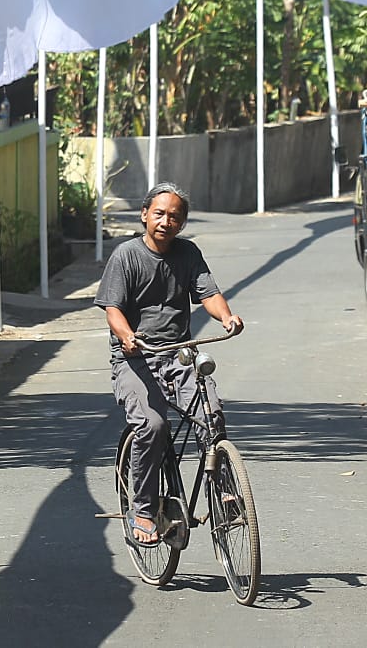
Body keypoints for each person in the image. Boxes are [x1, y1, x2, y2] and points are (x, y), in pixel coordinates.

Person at [95, 182, 243, 546]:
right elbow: (113, 309)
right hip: (135, 358)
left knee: (211, 413)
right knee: (153, 425)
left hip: (179, 354)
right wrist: (127, 335)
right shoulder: (126, 256)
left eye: (174, 216)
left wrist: (227, 317)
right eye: (159, 213)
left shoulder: (188, 253)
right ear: (145, 214)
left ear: (182, 222)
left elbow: (209, 294)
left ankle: (224, 493)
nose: (166, 221)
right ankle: (143, 510)